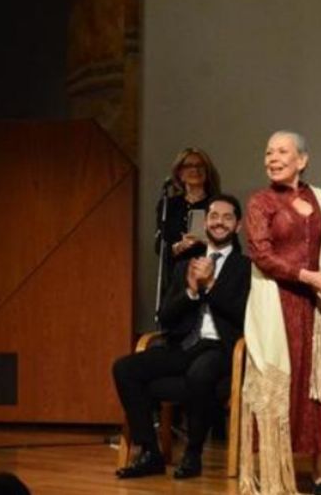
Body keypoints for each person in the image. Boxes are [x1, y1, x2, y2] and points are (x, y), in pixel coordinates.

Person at [240, 131, 321, 495]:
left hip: (315, 308)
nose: (272, 157)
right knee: (277, 388)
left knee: (313, 385)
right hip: (277, 302)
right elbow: (261, 253)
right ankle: (272, 471)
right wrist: (305, 276)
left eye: (282, 151)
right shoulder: (260, 202)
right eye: (268, 151)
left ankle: (320, 471)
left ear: (302, 160)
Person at [114, 195, 250, 480]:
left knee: (200, 373)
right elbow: (165, 316)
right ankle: (150, 452)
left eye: (227, 217)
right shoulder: (184, 264)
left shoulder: (246, 268)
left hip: (222, 348)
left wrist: (211, 285)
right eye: (214, 216)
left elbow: (244, 316)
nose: (219, 222)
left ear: (238, 225)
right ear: (205, 223)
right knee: (125, 368)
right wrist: (190, 292)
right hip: (183, 345)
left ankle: (193, 453)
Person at [155, 148, 222, 301]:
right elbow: (159, 245)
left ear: (207, 171)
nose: (195, 170)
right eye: (188, 166)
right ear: (179, 173)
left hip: (209, 277)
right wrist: (179, 246)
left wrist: (207, 241)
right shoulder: (168, 205)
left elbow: (232, 246)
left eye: (200, 166)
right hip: (176, 282)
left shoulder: (218, 204)